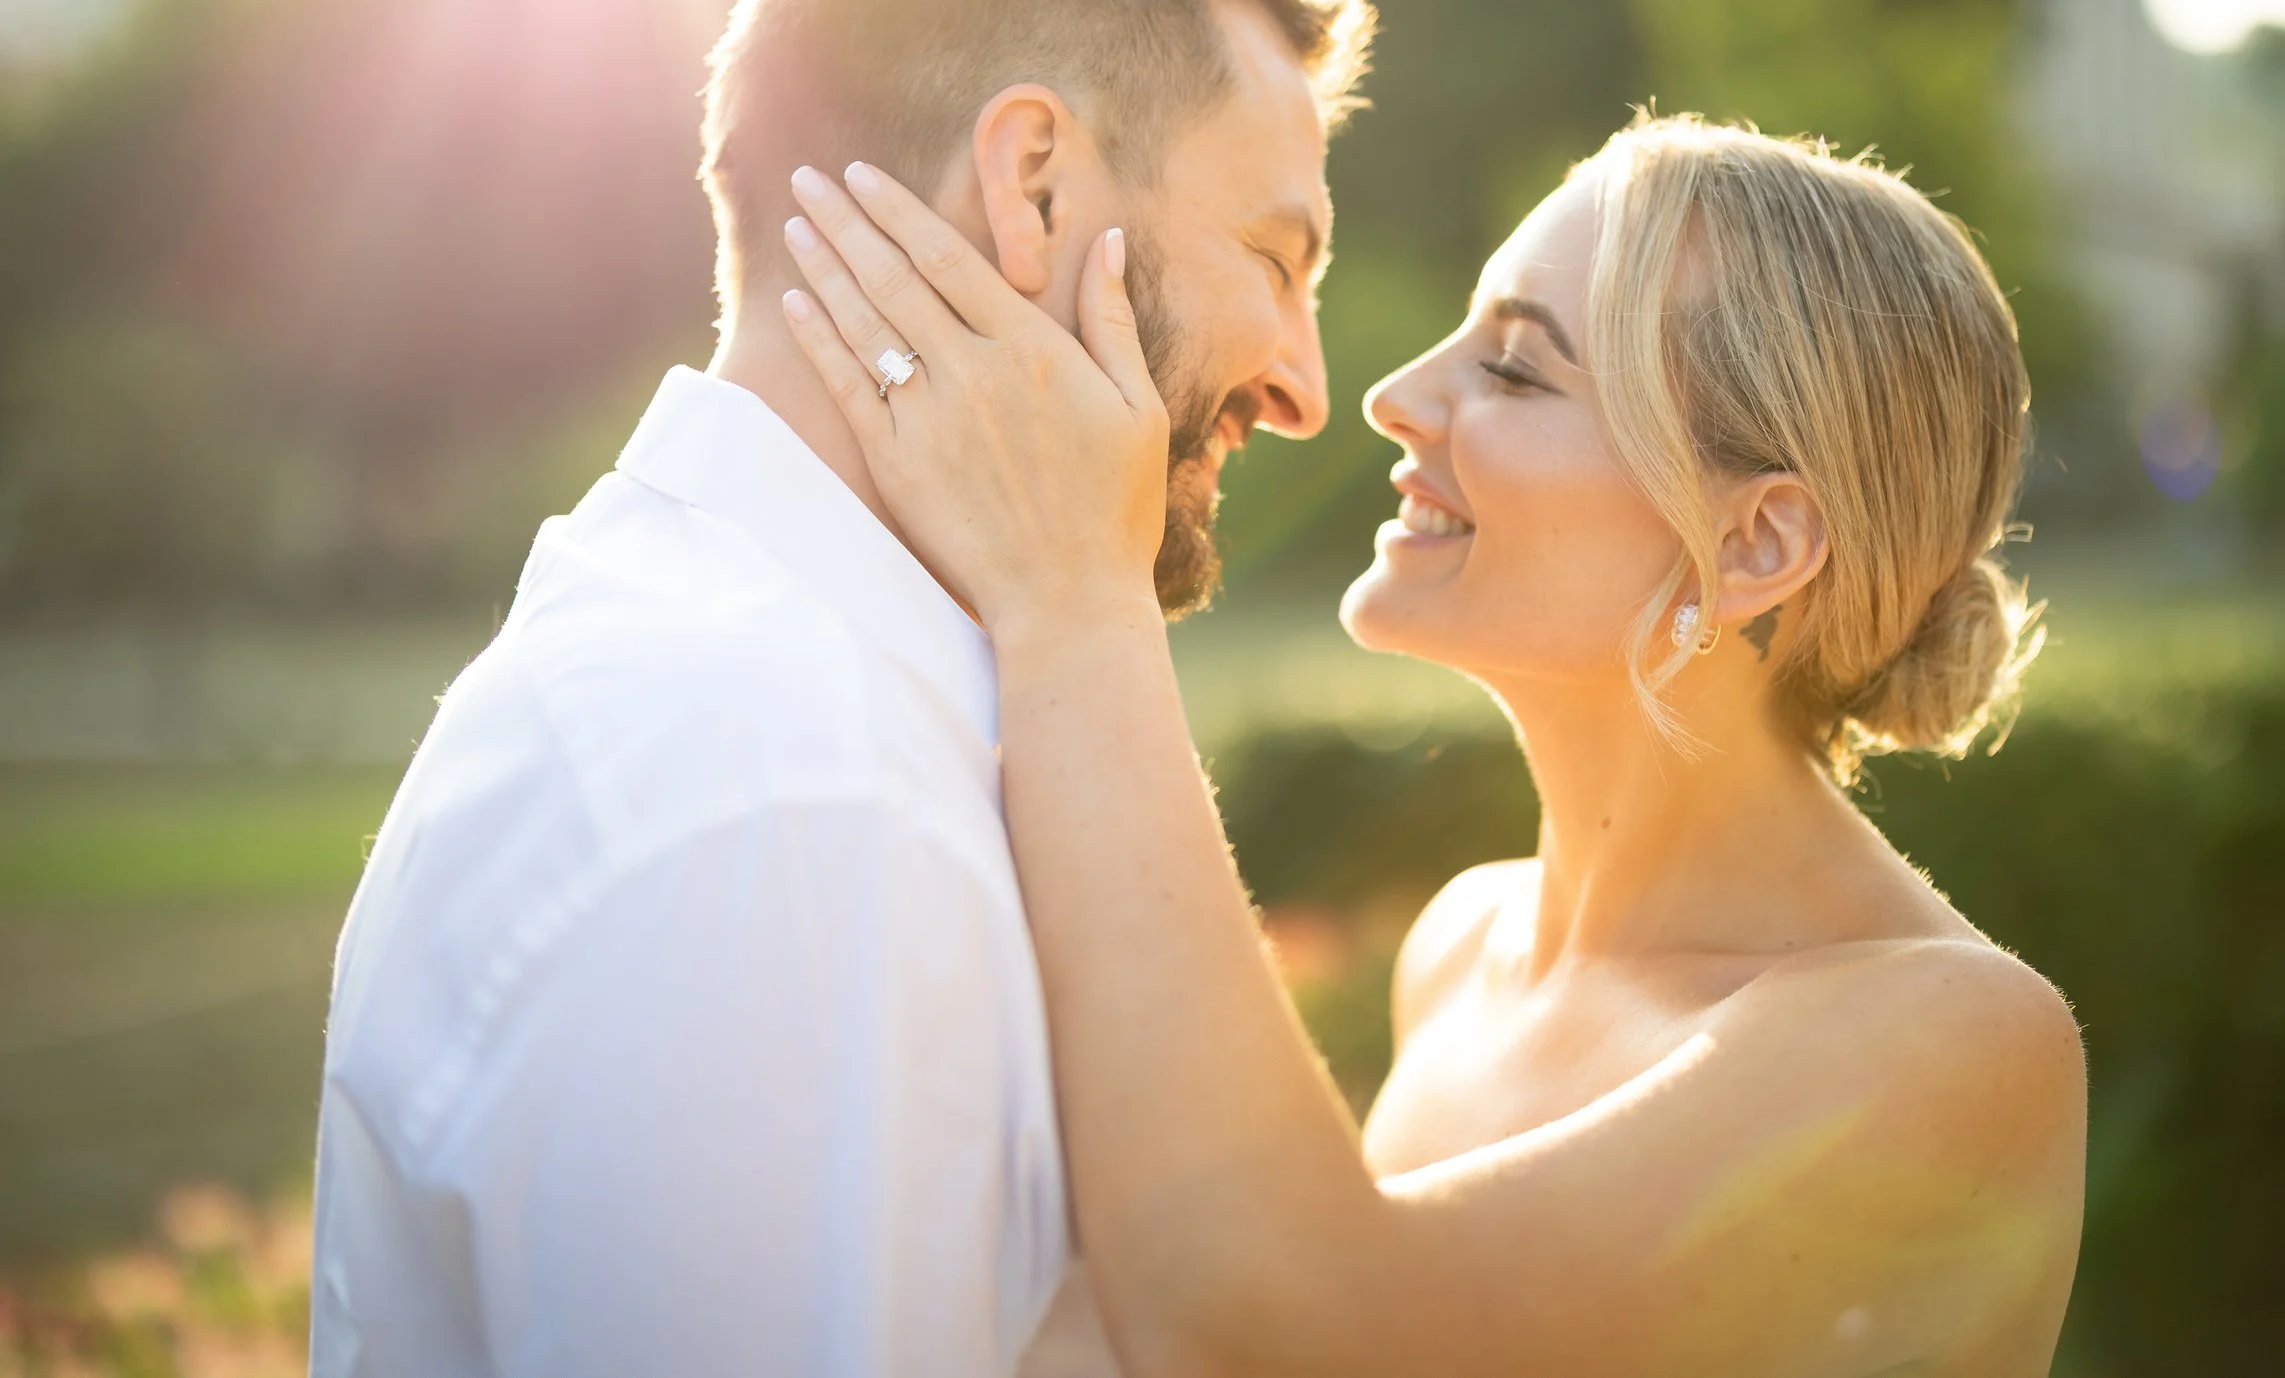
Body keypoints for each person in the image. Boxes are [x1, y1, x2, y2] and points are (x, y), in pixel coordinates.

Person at [774, 112, 2090, 1376]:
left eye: (1514, 369)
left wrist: (1075, 587)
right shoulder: (1463, 946)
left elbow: (1284, 1333)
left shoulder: (1963, 1042)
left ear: (1754, 543)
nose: (1393, 398)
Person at [308, 0, 1372, 1377]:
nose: (1304, 386)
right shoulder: (783, 788)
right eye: (1276, 259)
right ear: (1034, 182)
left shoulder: (762, 686)